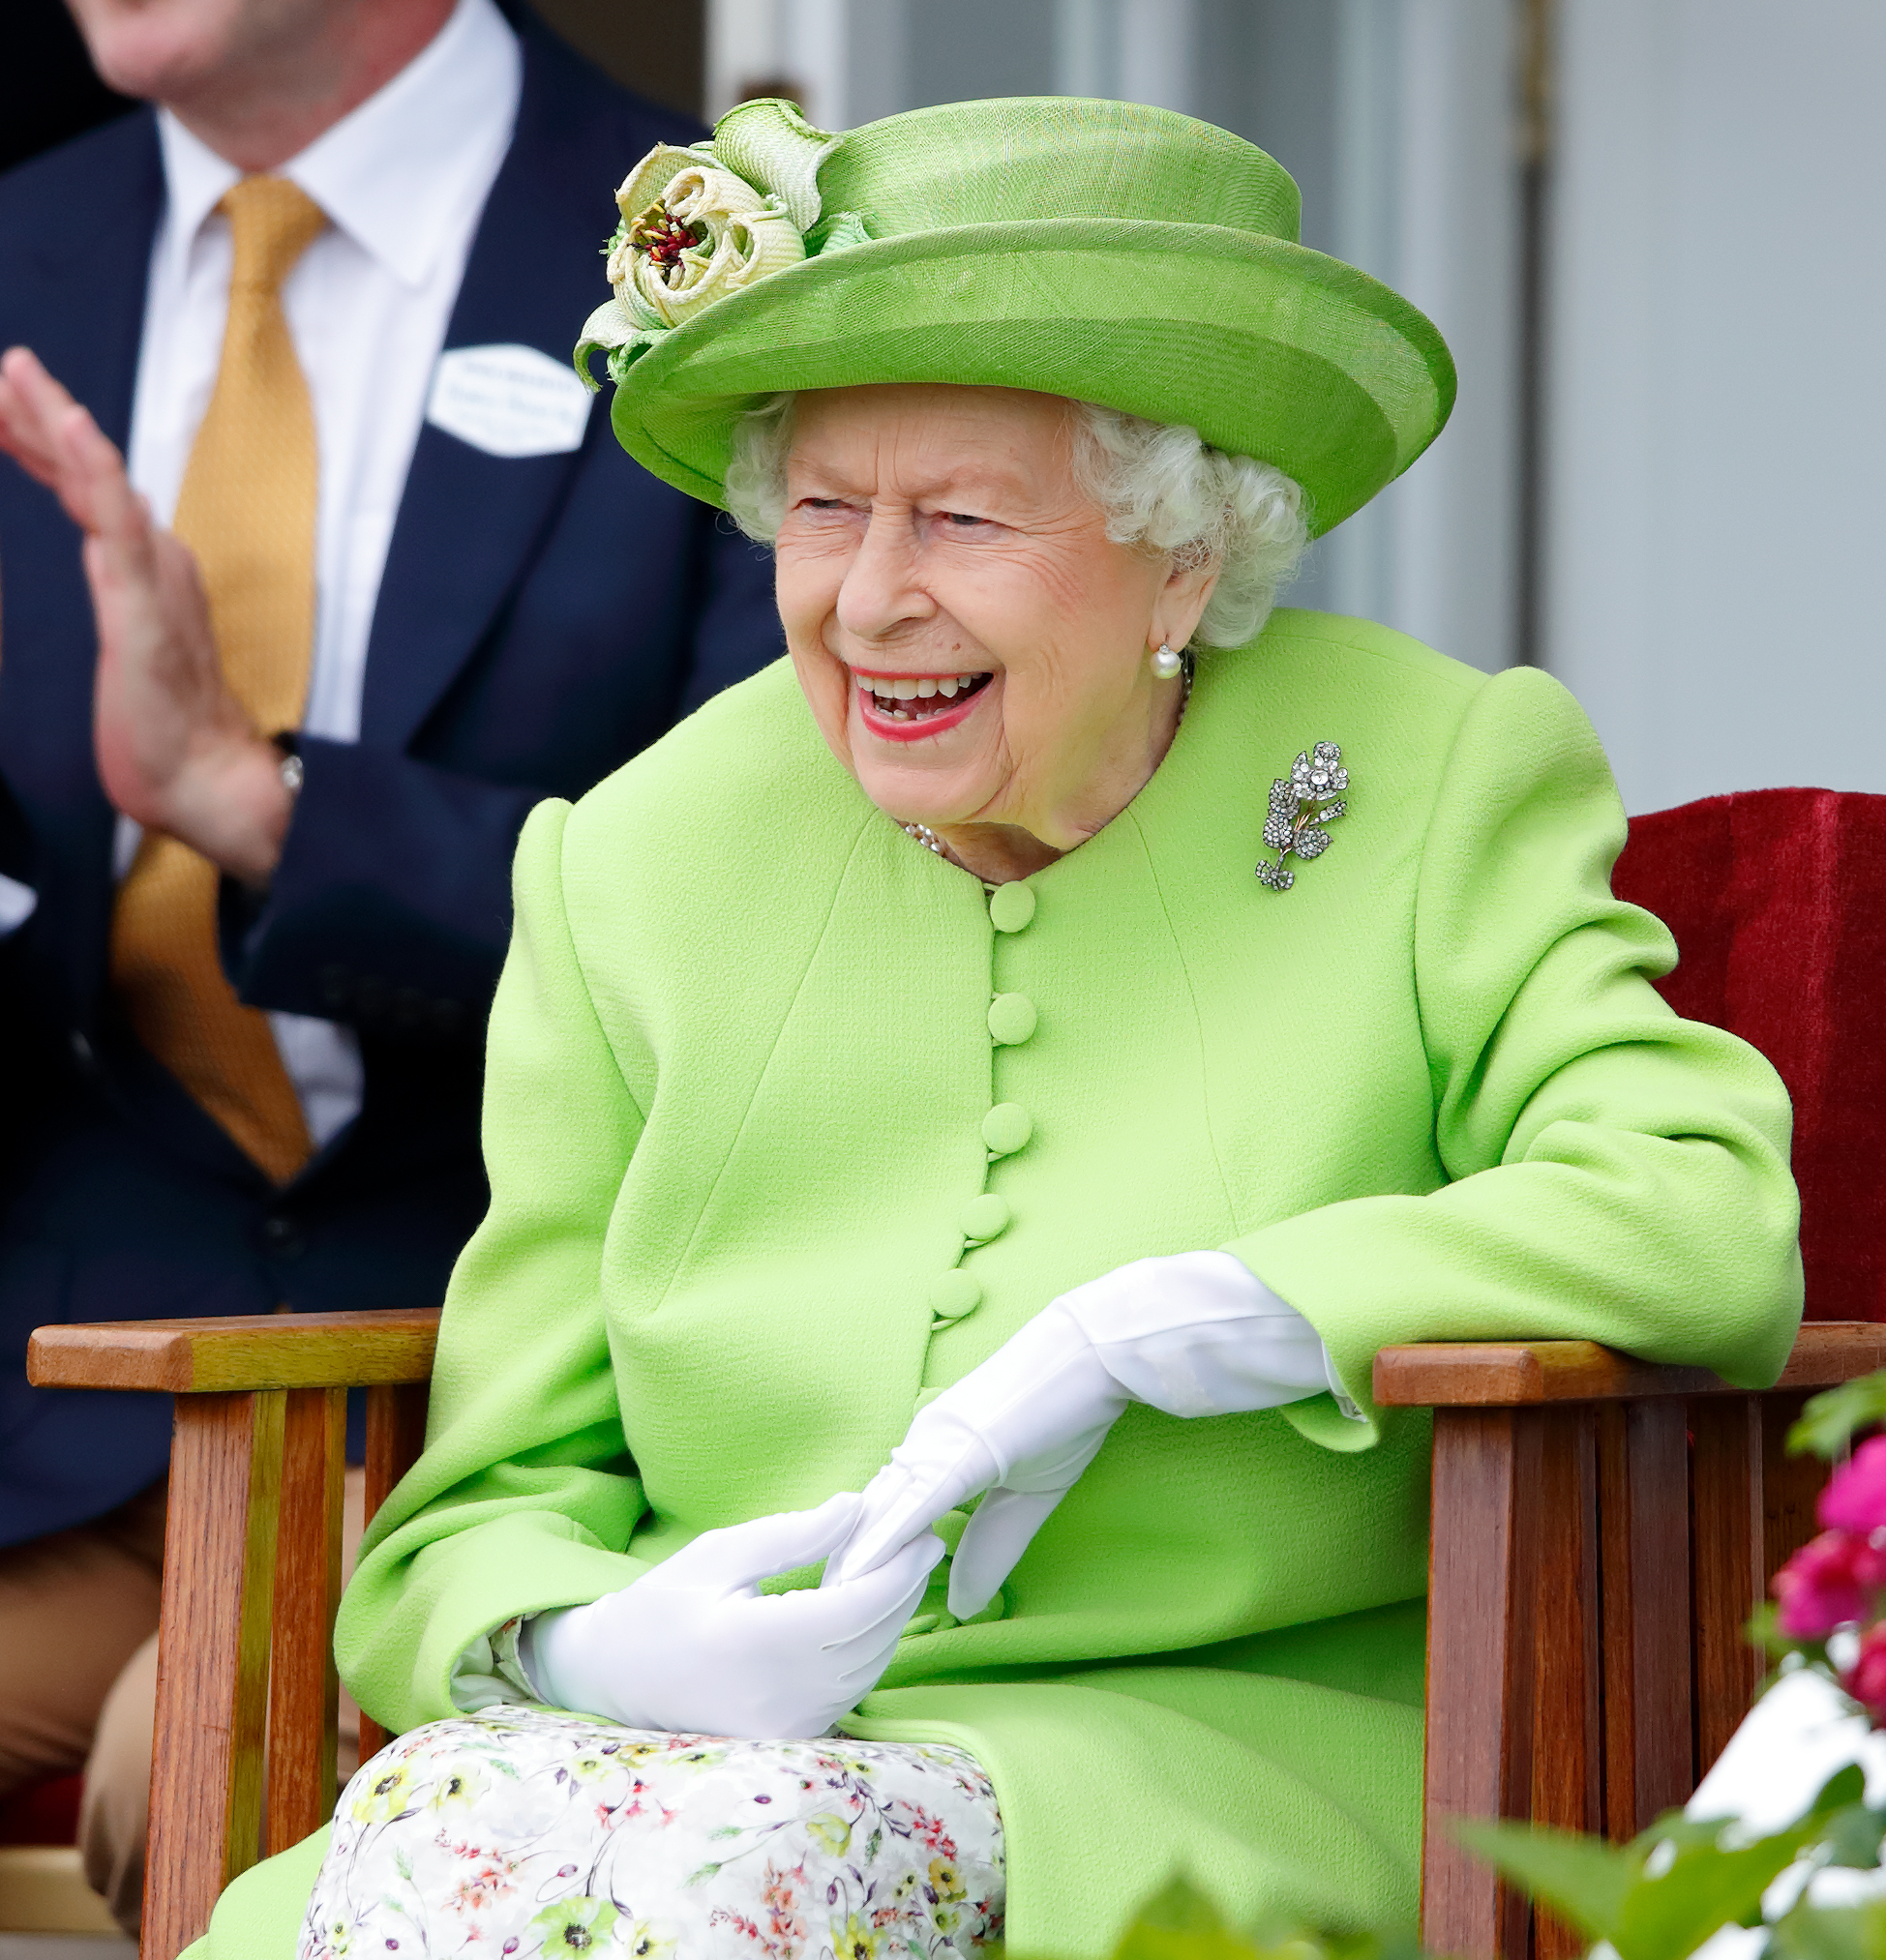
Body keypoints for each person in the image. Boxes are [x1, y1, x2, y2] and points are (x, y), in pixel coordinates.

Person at [183, 94, 1803, 1960]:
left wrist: (1194, 1317)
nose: (872, 601)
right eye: (821, 511)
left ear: (1184, 555)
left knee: (735, 1885)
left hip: (1213, 1749)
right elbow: (471, 1517)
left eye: (960, 517)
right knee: (398, 1880)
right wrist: (595, 1636)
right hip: (666, 1770)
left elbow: (1698, 1213)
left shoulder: (1437, 773)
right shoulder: (629, 860)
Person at [0, 0, 782, 1929]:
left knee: (189, 1779)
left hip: (507, 1409)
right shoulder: (24, 245)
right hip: (60, 1381)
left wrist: (254, 805)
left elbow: (765, 931)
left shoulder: (719, 267)